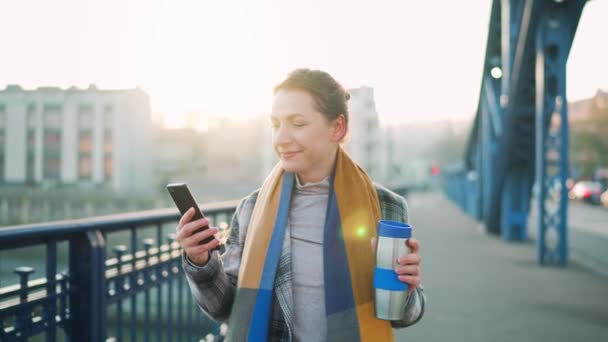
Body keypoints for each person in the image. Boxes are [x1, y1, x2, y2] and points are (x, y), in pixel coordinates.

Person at [176, 68, 426, 341]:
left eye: (297, 123)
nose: (281, 138)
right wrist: (201, 262)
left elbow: (403, 316)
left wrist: (407, 288)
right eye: (276, 124)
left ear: (337, 127)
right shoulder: (252, 209)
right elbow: (224, 307)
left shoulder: (386, 207)